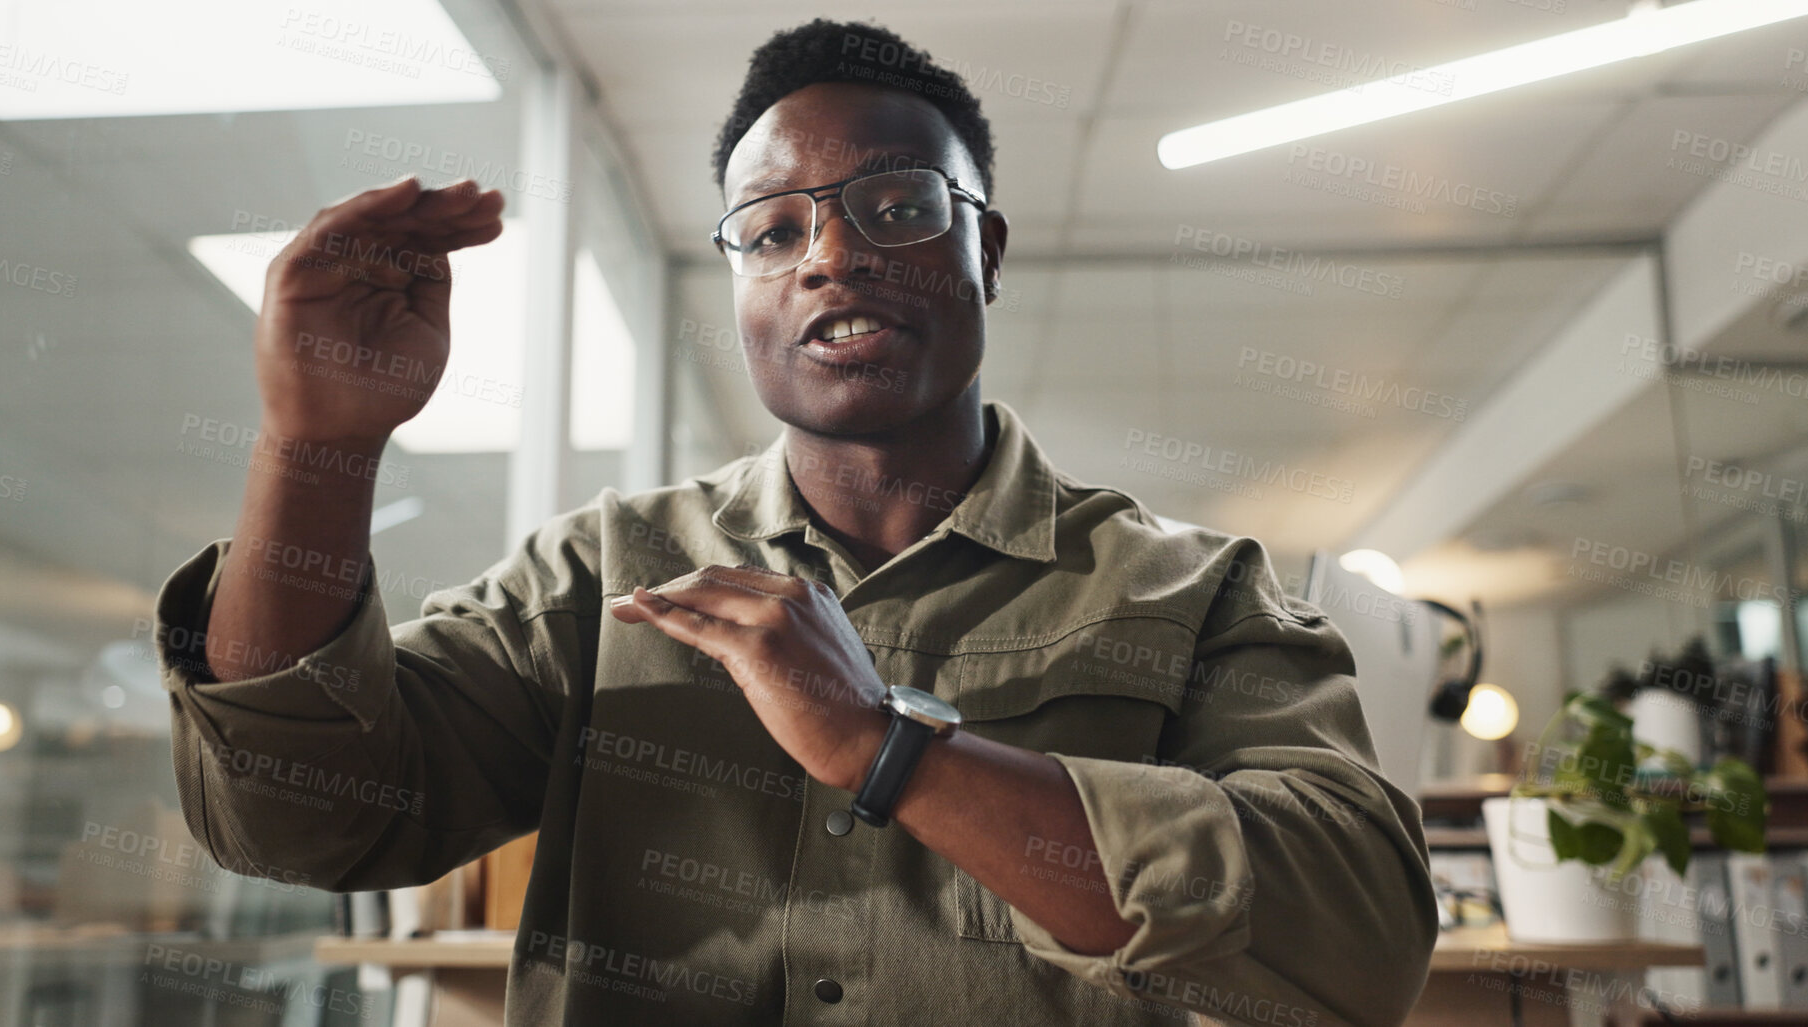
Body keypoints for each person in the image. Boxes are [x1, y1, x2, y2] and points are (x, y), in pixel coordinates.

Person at [153, 17, 1436, 1026]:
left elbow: (1360, 940)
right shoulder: (605, 575)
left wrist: (893, 753)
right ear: (744, 286)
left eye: (896, 207)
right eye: (773, 231)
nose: (830, 256)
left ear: (985, 250)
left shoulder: (1193, 592)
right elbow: (299, 814)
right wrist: (318, 450)